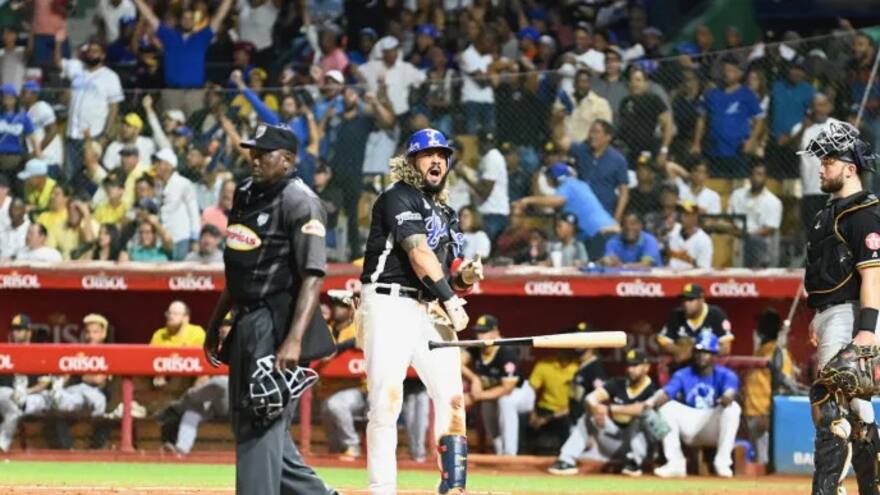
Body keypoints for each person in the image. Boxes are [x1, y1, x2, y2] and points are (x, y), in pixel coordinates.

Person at [202, 123, 337, 495]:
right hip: (245, 318)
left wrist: (293, 341)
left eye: (264, 153)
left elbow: (313, 275)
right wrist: (216, 324)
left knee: (260, 419)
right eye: (253, 151)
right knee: (253, 422)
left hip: (278, 320)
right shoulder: (245, 192)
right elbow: (237, 265)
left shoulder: (302, 201)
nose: (255, 159)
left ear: (289, 160)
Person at [358, 128, 483, 494]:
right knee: (386, 402)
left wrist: (463, 278)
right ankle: (381, 489)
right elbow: (418, 254)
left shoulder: (446, 211)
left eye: (442, 155)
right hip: (388, 303)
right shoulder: (397, 196)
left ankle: (453, 487)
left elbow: (443, 270)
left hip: (429, 308)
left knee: (453, 398)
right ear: (412, 160)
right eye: (428, 154)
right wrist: (451, 297)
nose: (437, 161)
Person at [798, 119, 880, 495]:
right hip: (831, 314)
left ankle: (827, 490)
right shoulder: (825, 214)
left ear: (850, 168)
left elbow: (872, 277)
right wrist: (818, 318)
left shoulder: (863, 213)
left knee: (828, 402)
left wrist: (866, 330)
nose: (820, 167)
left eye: (828, 161)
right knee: (857, 409)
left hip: (851, 314)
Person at [644, 332, 741, 478]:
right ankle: (675, 463)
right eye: (699, 351)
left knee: (733, 409)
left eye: (707, 352)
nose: (702, 356)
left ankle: (722, 463)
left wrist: (726, 397)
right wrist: (651, 402)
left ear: (714, 355)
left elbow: (730, 392)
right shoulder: (683, 374)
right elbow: (667, 392)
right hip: (690, 424)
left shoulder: (726, 374)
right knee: (666, 407)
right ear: (693, 352)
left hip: (713, 425)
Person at [549, 348, 655, 477]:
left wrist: (610, 410)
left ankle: (634, 463)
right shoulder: (618, 383)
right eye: (628, 365)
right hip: (616, 442)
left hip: (642, 447)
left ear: (646, 367)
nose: (630, 369)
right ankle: (566, 460)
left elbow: (643, 409)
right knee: (589, 415)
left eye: (635, 365)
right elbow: (590, 398)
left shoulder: (654, 389)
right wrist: (596, 409)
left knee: (641, 418)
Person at [133, 0, 234, 114]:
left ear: (194, 22)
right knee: (170, 128)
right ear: (180, 20)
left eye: (190, 19)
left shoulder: (202, 37)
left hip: (195, 94)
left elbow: (219, 16)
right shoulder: (169, 36)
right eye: (185, 18)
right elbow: (150, 17)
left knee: (195, 128)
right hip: (172, 93)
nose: (187, 21)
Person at [53, 38, 124, 193]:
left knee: (91, 176)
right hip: (72, 134)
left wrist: (105, 135)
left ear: (103, 55)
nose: (92, 54)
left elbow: (114, 108)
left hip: (94, 135)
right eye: (90, 51)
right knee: (70, 177)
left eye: (96, 51)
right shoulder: (78, 70)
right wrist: (58, 42)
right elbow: (58, 62)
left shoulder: (110, 77)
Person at [461, 315, 535, 456]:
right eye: (479, 331)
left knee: (505, 401)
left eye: (484, 332)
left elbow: (508, 388)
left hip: (520, 394)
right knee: (491, 425)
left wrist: (476, 396)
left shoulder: (506, 350)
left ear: (496, 332)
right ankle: (500, 457)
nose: (480, 335)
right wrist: (474, 378)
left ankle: (510, 455)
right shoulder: (478, 346)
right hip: (491, 393)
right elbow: (458, 362)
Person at [514, 163, 619, 260]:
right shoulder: (580, 184)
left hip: (601, 234)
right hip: (610, 230)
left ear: (552, 179)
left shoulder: (568, 186)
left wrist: (528, 200)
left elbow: (557, 200)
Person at [161, 313, 233, 456]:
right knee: (192, 411)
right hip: (213, 403)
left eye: (228, 327)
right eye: (222, 328)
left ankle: (179, 404)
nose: (224, 331)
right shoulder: (212, 348)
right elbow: (203, 377)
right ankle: (181, 450)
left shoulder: (244, 345)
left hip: (239, 401)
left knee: (221, 382)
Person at [692, 57, 765, 178]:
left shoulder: (747, 95)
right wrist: (696, 142)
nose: (727, 73)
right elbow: (701, 118)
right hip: (713, 151)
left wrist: (752, 140)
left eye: (730, 70)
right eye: (724, 70)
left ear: (739, 73)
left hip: (738, 152)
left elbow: (760, 119)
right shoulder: (711, 93)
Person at [742, 308, 793, 465]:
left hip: (765, 414)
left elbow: (784, 387)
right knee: (758, 460)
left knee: (764, 462)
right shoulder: (761, 350)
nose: (759, 327)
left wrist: (771, 414)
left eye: (764, 324)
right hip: (752, 412)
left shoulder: (779, 353)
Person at [0, 314, 52, 452]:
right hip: (6, 393)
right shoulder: (4, 351)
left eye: (19, 329)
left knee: (16, 409)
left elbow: (44, 383)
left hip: (29, 397)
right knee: (11, 399)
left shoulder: (38, 353)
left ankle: (1, 446)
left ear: (29, 332)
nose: (15, 333)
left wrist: (26, 392)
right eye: (14, 329)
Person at [561, 120, 629, 221]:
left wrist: (616, 218)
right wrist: (557, 121)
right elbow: (560, 141)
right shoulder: (582, 151)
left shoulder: (618, 160)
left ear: (608, 136)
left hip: (604, 213)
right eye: (591, 132)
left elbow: (623, 193)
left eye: (597, 132)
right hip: (580, 211)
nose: (592, 135)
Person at [657, 283, 734, 368]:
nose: (686, 304)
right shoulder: (676, 315)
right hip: (683, 368)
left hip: (709, 368)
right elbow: (663, 343)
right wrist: (678, 350)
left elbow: (726, 348)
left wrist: (694, 351)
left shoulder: (716, 314)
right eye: (684, 300)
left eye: (690, 300)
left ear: (702, 300)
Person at [51, 314, 111, 419]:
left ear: (103, 334)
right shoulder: (78, 352)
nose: (91, 336)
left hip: (95, 393)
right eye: (88, 332)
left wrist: (77, 375)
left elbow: (97, 380)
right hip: (75, 390)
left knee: (95, 400)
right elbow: (65, 377)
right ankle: (58, 400)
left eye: (95, 332)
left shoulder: (108, 353)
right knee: (60, 406)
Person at [726, 162, 783, 267]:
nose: (756, 178)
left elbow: (770, 228)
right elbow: (729, 219)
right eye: (753, 174)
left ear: (766, 177)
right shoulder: (737, 195)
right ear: (749, 176)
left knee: (754, 241)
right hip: (737, 237)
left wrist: (749, 236)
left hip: (760, 241)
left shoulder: (774, 201)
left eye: (760, 174)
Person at [456, 130, 509, 242]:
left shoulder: (492, 157)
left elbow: (485, 191)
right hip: (491, 213)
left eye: (488, 143)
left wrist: (464, 176)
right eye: (484, 142)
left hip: (493, 213)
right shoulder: (488, 157)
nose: (485, 145)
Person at [792, 93, 833, 231]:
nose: (819, 109)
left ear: (829, 107)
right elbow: (792, 146)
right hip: (810, 188)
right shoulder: (801, 128)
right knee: (812, 228)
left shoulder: (837, 126)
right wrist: (804, 127)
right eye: (816, 106)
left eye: (822, 105)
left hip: (832, 188)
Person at [152, 148, 200, 261]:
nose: (156, 165)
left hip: (181, 237)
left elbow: (193, 212)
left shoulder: (183, 183)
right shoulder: (158, 185)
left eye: (160, 162)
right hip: (164, 238)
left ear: (169, 166)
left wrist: (194, 238)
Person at [553, 69, 613, 144]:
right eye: (578, 81)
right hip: (563, 145)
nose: (581, 85)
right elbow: (553, 123)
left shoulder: (601, 104)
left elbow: (605, 131)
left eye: (585, 82)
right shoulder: (563, 101)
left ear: (590, 84)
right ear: (573, 84)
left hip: (586, 148)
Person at [0, 83, 38, 179]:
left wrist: (38, 155)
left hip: (16, 158)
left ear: (15, 99)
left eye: (10, 97)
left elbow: (32, 137)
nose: (7, 100)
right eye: (4, 97)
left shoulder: (22, 117)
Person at [667, 201, 713, 269]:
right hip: (672, 276)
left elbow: (704, 270)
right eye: (683, 214)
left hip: (692, 278)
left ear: (696, 217)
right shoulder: (674, 233)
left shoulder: (704, 240)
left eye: (688, 214)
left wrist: (690, 260)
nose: (684, 217)